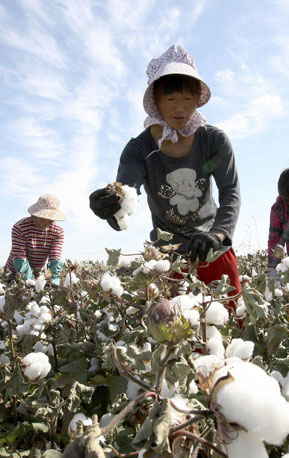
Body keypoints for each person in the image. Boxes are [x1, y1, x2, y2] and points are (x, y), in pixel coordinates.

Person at [90, 44, 242, 299]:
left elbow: (230, 191)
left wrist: (219, 233)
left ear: (198, 100)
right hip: (166, 257)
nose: (179, 108)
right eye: (170, 99)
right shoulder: (139, 149)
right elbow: (126, 195)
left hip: (213, 247)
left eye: (187, 99)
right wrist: (109, 208)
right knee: (172, 329)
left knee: (231, 316)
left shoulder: (213, 140)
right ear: (156, 103)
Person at [4, 194, 66, 285]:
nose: (48, 221)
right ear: (35, 214)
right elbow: (20, 259)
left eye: (51, 218)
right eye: (44, 217)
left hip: (38, 274)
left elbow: (54, 258)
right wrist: (32, 282)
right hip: (13, 274)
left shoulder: (58, 232)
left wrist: (53, 280)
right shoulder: (20, 228)